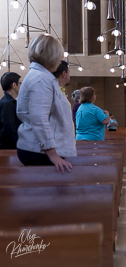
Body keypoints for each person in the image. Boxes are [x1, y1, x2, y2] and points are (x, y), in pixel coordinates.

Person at [16, 34, 76, 173]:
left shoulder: (41, 77)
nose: (60, 62)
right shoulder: (41, 80)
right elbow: (39, 119)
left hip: (39, 149)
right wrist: (52, 154)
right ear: (51, 56)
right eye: (59, 57)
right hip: (39, 151)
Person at [0, 72, 22, 149]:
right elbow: (9, 129)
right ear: (14, 85)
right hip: (9, 148)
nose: (21, 86)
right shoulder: (7, 103)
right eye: (20, 83)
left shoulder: (9, 101)